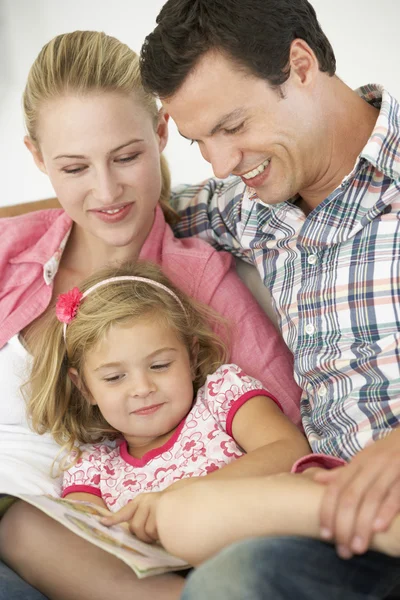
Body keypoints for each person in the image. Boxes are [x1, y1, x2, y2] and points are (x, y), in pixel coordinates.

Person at [0, 30, 303, 600]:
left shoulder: (198, 285)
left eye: (127, 156)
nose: (106, 190)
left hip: (84, 548)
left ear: (162, 132)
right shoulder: (8, 250)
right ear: (37, 158)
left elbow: (287, 439)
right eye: (74, 168)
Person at [140, 0, 400, 597]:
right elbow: (125, 210)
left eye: (232, 126)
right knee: (225, 579)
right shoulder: (248, 204)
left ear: (301, 66)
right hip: (333, 524)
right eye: (200, 141)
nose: (224, 163)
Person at [27, 260, 308, 544]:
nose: (142, 388)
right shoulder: (93, 468)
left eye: (160, 365)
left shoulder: (222, 396)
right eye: (114, 377)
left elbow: (290, 449)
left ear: (192, 357)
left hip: (268, 546)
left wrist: (186, 495)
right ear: (84, 388)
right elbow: (91, 543)